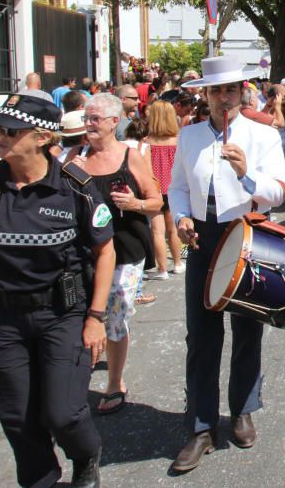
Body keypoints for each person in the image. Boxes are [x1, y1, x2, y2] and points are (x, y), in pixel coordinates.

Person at [0, 91, 115, 487]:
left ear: (43, 137)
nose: (1, 136)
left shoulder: (74, 185)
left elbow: (105, 251)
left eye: (11, 130)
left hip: (61, 315)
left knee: (63, 413)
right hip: (2, 317)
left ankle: (85, 454)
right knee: (16, 415)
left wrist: (95, 317)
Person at [168, 56, 285, 471]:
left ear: (242, 93)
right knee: (201, 335)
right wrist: (181, 216)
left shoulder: (262, 136)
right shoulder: (190, 137)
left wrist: (246, 173)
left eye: (230, 90)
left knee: (247, 328)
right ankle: (201, 426)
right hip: (202, 239)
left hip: (249, 236)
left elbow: (278, 192)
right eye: (216, 90)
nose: (223, 97)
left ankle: (242, 408)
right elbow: (178, 188)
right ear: (205, 95)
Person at [68, 93, 162, 415]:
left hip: (125, 247)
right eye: (86, 119)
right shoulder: (74, 156)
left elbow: (156, 201)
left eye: (95, 119)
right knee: (86, 312)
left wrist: (134, 204)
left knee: (116, 314)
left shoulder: (131, 156)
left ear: (113, 122)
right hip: (87, 250)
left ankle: (114, 383)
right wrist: (70, 176)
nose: (89, 125)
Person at [144, 100, 185, 279]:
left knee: (157, 231)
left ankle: (161, 269)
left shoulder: (146, 143)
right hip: (174, 189)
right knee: (173, 230)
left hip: (155, 190)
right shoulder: (179, 141)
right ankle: (177, 263)